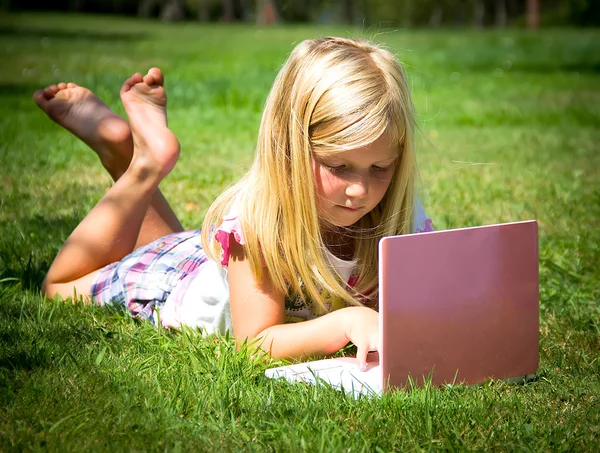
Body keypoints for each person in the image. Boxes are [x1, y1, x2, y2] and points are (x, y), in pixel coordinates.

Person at [34, 37, 433, 370]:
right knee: (59, 288)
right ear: (289, 148)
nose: (359, 190)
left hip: (205, 260)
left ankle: (128, 151)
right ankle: (141, 165)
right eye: (339, 166)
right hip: (174, 286)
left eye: (380, 167)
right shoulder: (259, 220)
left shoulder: (397, 213)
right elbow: (255, 343)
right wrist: (346, 322)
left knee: (163, 243)